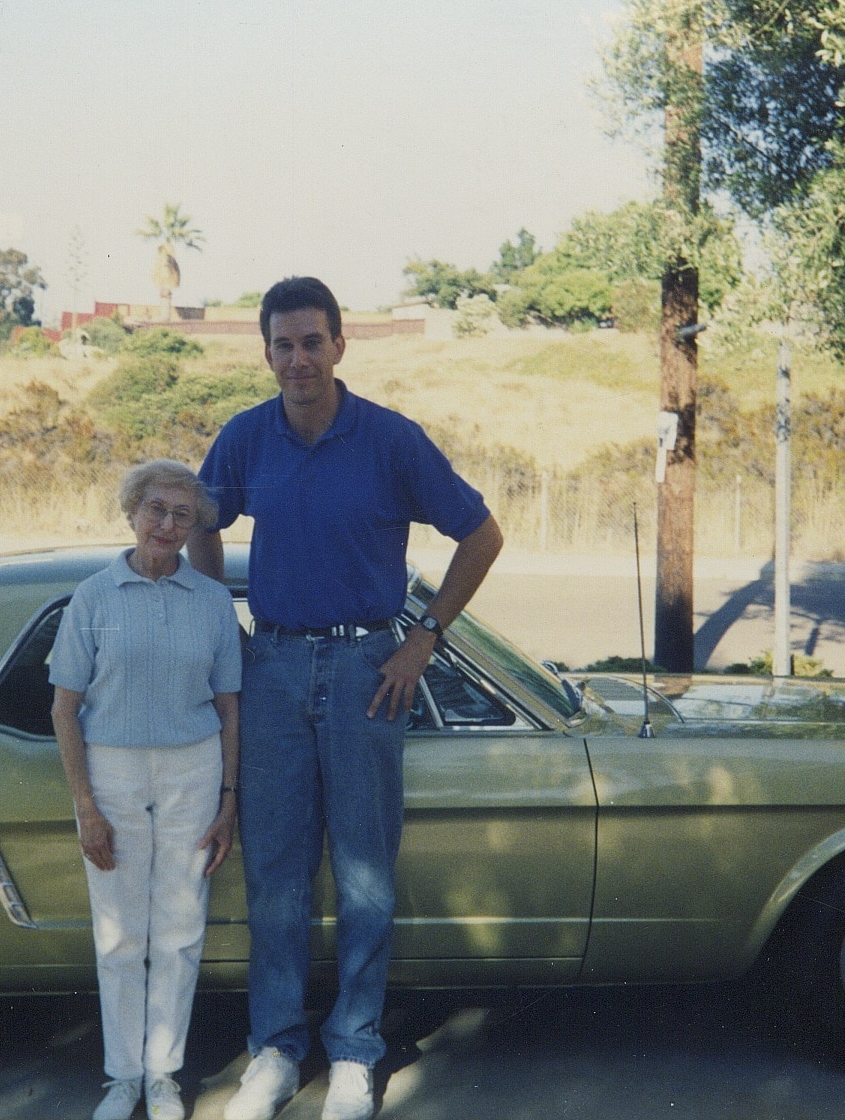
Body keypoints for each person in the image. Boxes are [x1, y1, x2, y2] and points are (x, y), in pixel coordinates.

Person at [189, 277, 503, 1120]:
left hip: (371, 668)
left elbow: (482, 533)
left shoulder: (391, 440)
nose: (299, 359)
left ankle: (356, 1051)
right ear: (267, 353)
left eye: (313, 342)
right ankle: (276, 1052)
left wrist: (423, 634)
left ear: (339, 345)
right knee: (278, 876)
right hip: (275, 670)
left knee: (365, 873)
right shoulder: (247, 437)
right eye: (283, 345)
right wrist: (223, 627)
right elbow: (199, 518)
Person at [51, 459, 243, 1120]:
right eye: (155, 508)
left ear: (195, 526)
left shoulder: (213, 601)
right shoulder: (95, 596)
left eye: (181, 514)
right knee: (119, 931)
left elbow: (229, 707)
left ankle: (164, 1076)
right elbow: (64, 707)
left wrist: (228, 796)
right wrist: (86, 804)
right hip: (113, 770)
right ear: (131, 511)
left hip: (194, 766)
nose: (166, 523)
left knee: (181, 929)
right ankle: (122, 1078)